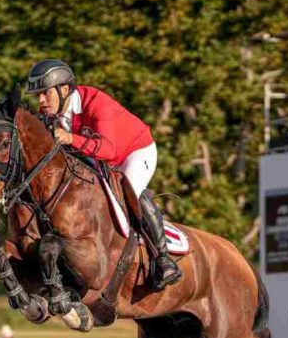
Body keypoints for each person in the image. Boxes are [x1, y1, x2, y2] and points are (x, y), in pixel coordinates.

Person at [25, 59, 181, 290]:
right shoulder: (49, 114)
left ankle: (163, 258)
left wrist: (70, 138)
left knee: (131, 189)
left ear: (64, 90)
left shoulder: (97, 103)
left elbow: (108, 150)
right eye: (37, 95)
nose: (40, 101)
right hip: (101, 159)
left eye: (45, 93)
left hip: (134, 152)